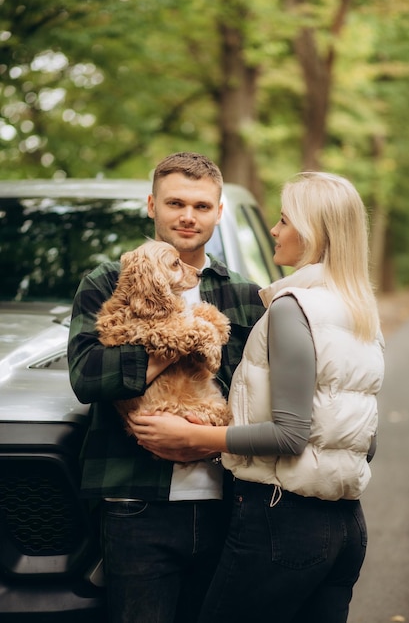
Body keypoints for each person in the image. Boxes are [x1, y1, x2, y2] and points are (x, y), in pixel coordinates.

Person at [131, 171, 385, 623]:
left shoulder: (293, 308)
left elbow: (290, 435)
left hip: (282, 521)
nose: (274, 229)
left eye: (284, 219)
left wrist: (196, 440)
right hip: (346, 526)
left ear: (312, 232)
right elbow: (367, 441)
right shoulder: (358, 310)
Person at [67, 152, 266, 623]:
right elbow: (87, 376)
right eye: (176, 202)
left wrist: (204, 440)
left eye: (201, 206)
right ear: (152, 205)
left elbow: (262, 400)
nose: (187, 216)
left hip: (228, 503)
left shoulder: (243, 295)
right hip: (135, 505)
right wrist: (179, 342)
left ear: (219, 212)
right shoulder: (106, 283)